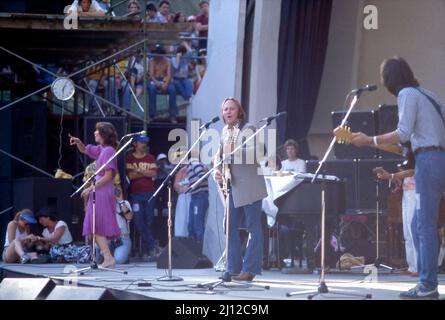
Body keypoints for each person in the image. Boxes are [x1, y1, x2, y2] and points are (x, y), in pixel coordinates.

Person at [350, 56, 445, 299]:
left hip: (429, 161)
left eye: (383, 77)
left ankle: (427, 286)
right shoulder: (428, 95)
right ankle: (427, 281)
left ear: (390, 79)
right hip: (437, 159)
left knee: (423, 226)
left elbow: (403, 132)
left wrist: (369, 140)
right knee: (418, 224)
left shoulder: (406, 95)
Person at [214, 98, 268, 281]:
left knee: (254, 228)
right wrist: (218, 170)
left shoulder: (249, 129)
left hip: (250, 187)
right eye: (225, 109)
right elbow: (218, 156)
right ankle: (234, 268)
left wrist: (232, 150)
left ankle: (250, 270)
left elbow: (256, 154)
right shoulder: (224, 131)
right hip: (233, 188)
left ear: (239, 111)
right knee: (229, 228)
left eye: (232, 109)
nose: (228, 112)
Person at [69, 122, 121, 268]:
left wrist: (91, 188)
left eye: (97, 131)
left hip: (102, 191)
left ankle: (108, 257)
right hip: (99, 190)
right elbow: (85, 150)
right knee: (94, 226)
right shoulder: (103, 149)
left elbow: (108, 176)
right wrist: (79, 142)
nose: (94, 133)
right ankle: (108, 257)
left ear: (104, 134)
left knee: (96, 225)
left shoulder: (109, 151)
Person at [374, 166, 417, 276]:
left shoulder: (418, 155)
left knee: (414, 231)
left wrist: (392, 175)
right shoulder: (409, 156)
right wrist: (396, 178)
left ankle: (419, 267)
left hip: (416, 192)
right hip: (407, 192)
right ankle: (412, 266)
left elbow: (413, 171)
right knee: (407, 232)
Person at [126, 133, 157, 261]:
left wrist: (138, 171)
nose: (144, 145)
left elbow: (154, 173)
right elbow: (130, 176)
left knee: (148, 222)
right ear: (135, 144)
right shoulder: (129, 158)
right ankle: (152, 246)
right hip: (136, 194)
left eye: (145, 142)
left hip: (149, 193)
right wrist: (146, 173)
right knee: (139, 222)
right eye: (141, 142)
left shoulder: (150, 158)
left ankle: (145, 252)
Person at [148, 45, 178, 123]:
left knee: (172, 89)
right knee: (151, 89)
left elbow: (169, 74)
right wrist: (156, 82)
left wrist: (166, 83)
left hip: (165, 80)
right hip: (154, 80)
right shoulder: (151, 61)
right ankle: (152, 115)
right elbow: (151, 75)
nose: (158, 56)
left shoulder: (168, 61)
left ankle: (172, 116)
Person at [187, 157, 209, 244]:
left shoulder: (194, 162)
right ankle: (192, 251)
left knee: (197, 225)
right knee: (192, 226)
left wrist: (192, 186)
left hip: (200, 195)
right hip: (195, 196)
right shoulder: (191, 164)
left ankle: (201, 251)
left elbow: (202, 177)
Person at [173, 164, 191, 237]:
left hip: (196, 196)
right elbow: (176, 185)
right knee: (182, 220)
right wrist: (185, 184)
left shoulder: (202, 167)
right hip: (184, 197)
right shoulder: (182, 170)